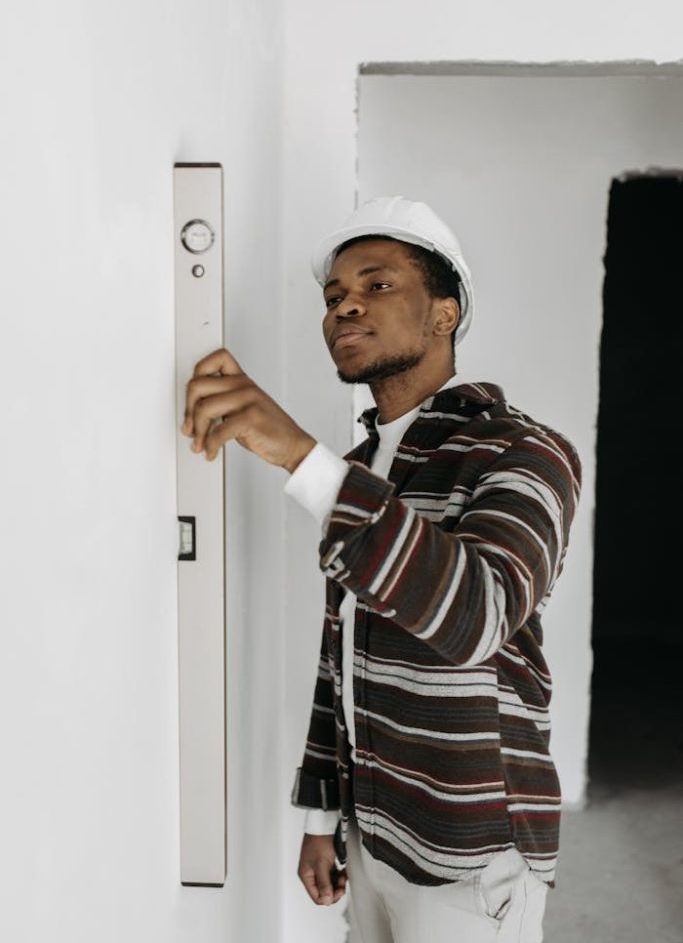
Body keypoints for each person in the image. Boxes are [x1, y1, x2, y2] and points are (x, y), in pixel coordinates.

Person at [181, 196, 582, 943]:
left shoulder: (527, 453)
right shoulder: (364, 466)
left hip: (472, 848)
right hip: (373, 833)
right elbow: (342, 659)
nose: (345, 307)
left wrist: (300, 456)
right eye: (333, 296)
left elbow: (476, 615)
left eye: (377, 284)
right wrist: (320, 814)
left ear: (444, 314)